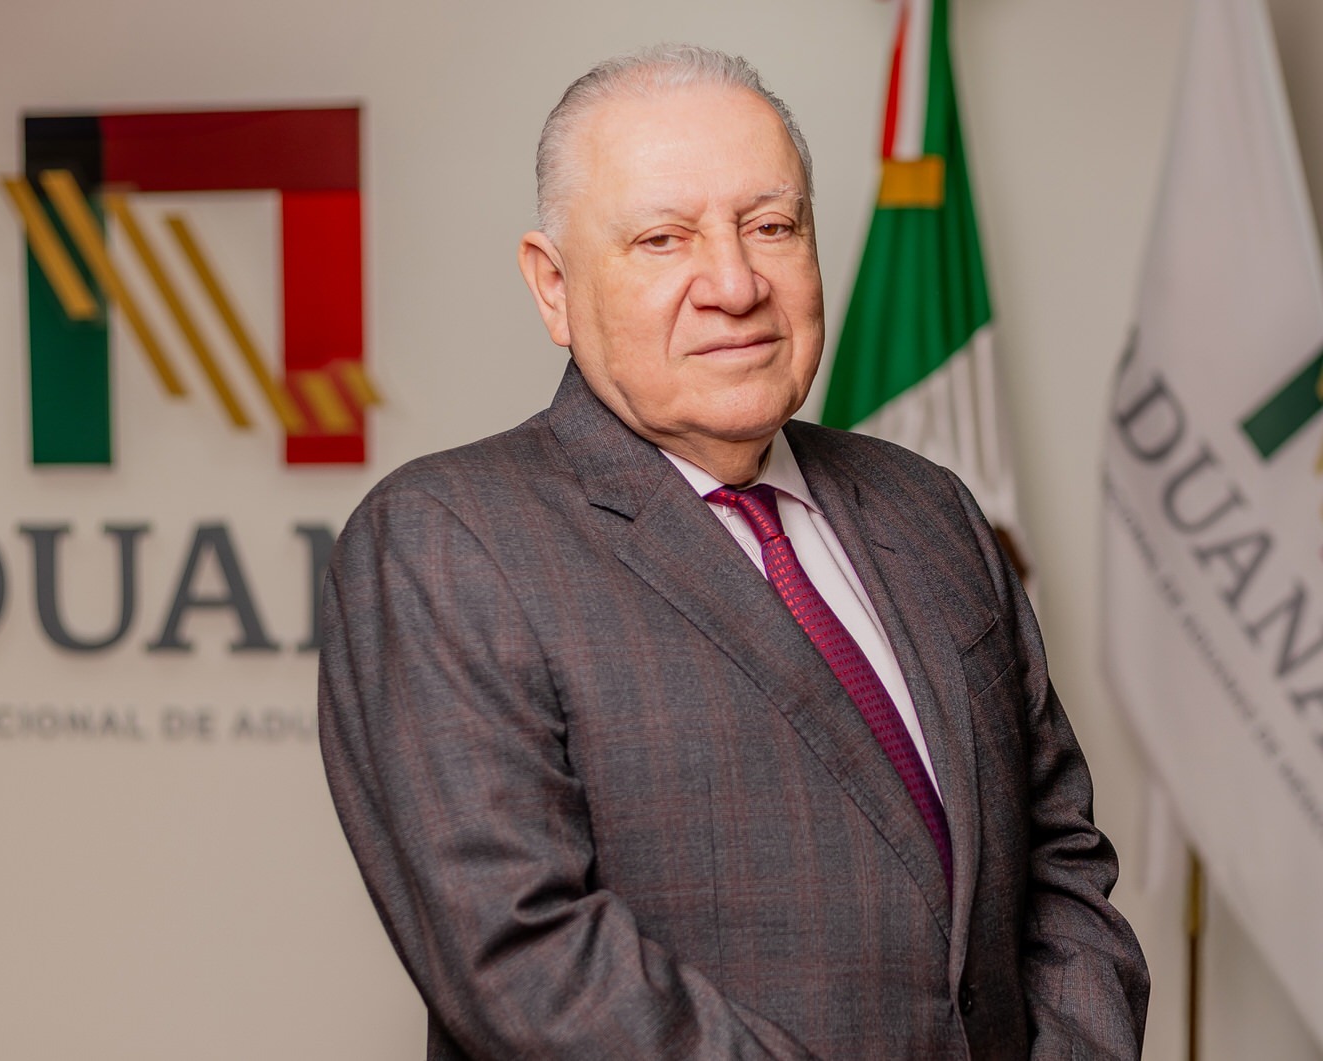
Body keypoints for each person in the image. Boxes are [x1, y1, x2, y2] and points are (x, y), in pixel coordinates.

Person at [318, 44, 1148, 1060]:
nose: (734, 283)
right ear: (553, 285)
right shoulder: (445, 542)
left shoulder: (930, 507)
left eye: (770, 226)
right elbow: (526, 962)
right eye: (663, 239)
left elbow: (1059, 859)